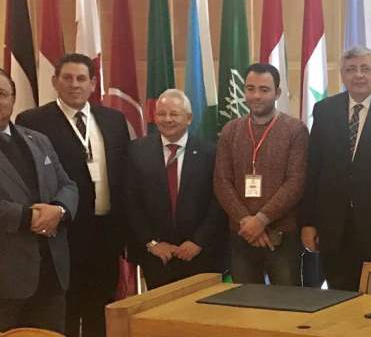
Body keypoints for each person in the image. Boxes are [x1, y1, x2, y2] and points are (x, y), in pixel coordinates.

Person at [16, 54, 130, 337]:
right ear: (55, 81)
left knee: (100, 308)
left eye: (81, 79)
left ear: (93, 83)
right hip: (62, 234)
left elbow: (124, 175)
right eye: (67, 78)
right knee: (64, 309)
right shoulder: (33, 121)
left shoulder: (114, 120)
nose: (74, 84)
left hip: (106, 234)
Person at [300, 46, 371, 291]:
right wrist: (308, 222)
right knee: (339, 296)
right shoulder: (324, 110)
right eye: (351, 69)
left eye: (365, 68)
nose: (359, 75)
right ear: (342, 75)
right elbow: (313, 169)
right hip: (334, 228)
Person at [0, 66, 78, 332]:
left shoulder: (38, 140)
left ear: (13, 99)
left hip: (50, 274)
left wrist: (59, 210)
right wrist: (28, 217)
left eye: (1, 93)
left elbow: (68, 185)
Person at [214, 63, 309, 285]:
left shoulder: (295, 130)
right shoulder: (231, 130)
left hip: (282, 237)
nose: (256, 95)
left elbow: (296, 182)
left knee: (286, 302)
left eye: (264, 90)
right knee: (245, 302)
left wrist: (261, 220)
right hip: (242, 234)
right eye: (250, 89)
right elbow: (221, 181)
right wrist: (247, 222)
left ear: (277, 93)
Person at [125, 89, 226, 289]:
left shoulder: (210, 152)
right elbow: (130, 201)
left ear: (189, 118)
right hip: (157, 256)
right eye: (161, 114)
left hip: (199, 254)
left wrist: (198, 242)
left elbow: (218, 201)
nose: (167, 119)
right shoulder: (137, 150)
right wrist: (152, 243)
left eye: (174, 114)